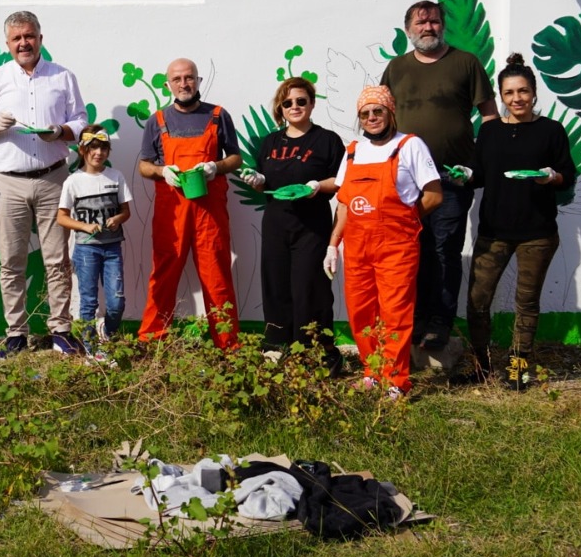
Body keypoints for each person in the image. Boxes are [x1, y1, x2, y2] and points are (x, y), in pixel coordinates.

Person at [0, 11, 88, 357]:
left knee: (58, 260)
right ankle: (16, 334)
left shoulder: (63, 76)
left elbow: (81, 120)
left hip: (53, 177)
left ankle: (61, 331)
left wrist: (60, 132)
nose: (24, 43)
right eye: (16, 38)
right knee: (11, 260)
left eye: (30, 36)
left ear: (40, 37)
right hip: (8, 183)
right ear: (7, 44)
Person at [381, 0, 497, 350]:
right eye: (420, 22)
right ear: (408, 30)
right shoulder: (396, 68)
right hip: (405, 181)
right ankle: (411, 318)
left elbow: (489, 117)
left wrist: (478, 165)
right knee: (410, 249)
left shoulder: (465, 63)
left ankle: (439, 322)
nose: (428, 27)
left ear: (442, 26)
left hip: (451, 179)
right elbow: (383, 117)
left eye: (433, 22)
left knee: (445, 250)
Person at [462, 53, 577, 388]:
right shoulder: (490, 131)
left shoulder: (551, 130)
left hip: (537, 233)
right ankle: (480, 365)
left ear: (534, 92)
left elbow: (566, 175)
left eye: (523, 91)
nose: (517, 99)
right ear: (501, 96)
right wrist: (464, 174)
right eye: (510, 93)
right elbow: (479, 174)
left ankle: (518, 366)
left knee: (526, 303)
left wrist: (551, 176)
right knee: (477, 302)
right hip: (493, 231)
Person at [327, 85, 443, 398]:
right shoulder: (352, 151)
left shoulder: (410, 145)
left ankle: (396, 381)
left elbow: (433, 195)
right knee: (360, 311)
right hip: (357, 245)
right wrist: (332, 244)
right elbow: (345, 204)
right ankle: (372, 372)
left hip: (396, 245)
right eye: (365, 113)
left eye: (378, 111)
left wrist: (405, 219)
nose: (371, 117)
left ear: (390, 112)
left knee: (395, 313)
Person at [136, 58, 246, 349]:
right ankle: (151, 341)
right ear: (168, 84)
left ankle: (227, 345)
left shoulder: (218, 115)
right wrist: (163, 171)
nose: (184, 84)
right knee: (163, 273)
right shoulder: (157, 120)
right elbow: (144, 166)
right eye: (177, 79)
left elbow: (236, 158)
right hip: (171, 211)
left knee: (216, 274)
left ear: (198, 80)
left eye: (189, 78)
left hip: (209, 212)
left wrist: (216, 167)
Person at [248, 76, 344, 370]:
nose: (295, 106)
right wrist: (257, 181)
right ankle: (276, 344)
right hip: (276, 222)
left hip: (311, 225)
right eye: (288, 102)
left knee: (309, 287)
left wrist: (318, 185)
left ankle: (316, 349)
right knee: (275, 283)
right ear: (281, 107)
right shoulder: (270, 142)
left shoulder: (327, 140)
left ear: (312, 104)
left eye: (301, 101)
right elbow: (264, 182)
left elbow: (341, 182)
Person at [55, 126, 133, 342]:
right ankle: (91, 349)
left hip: (112, 248)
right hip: (86, 250)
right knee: (88, 302)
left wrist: (117, 219)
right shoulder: (73, 181)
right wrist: (84, 226)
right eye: (93, 148)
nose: (98, 153)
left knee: (117, 302)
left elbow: (126, 211)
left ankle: (106, 334)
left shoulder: (116, 176)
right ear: (82, 150)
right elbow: (61, 217)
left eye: (103, 148)